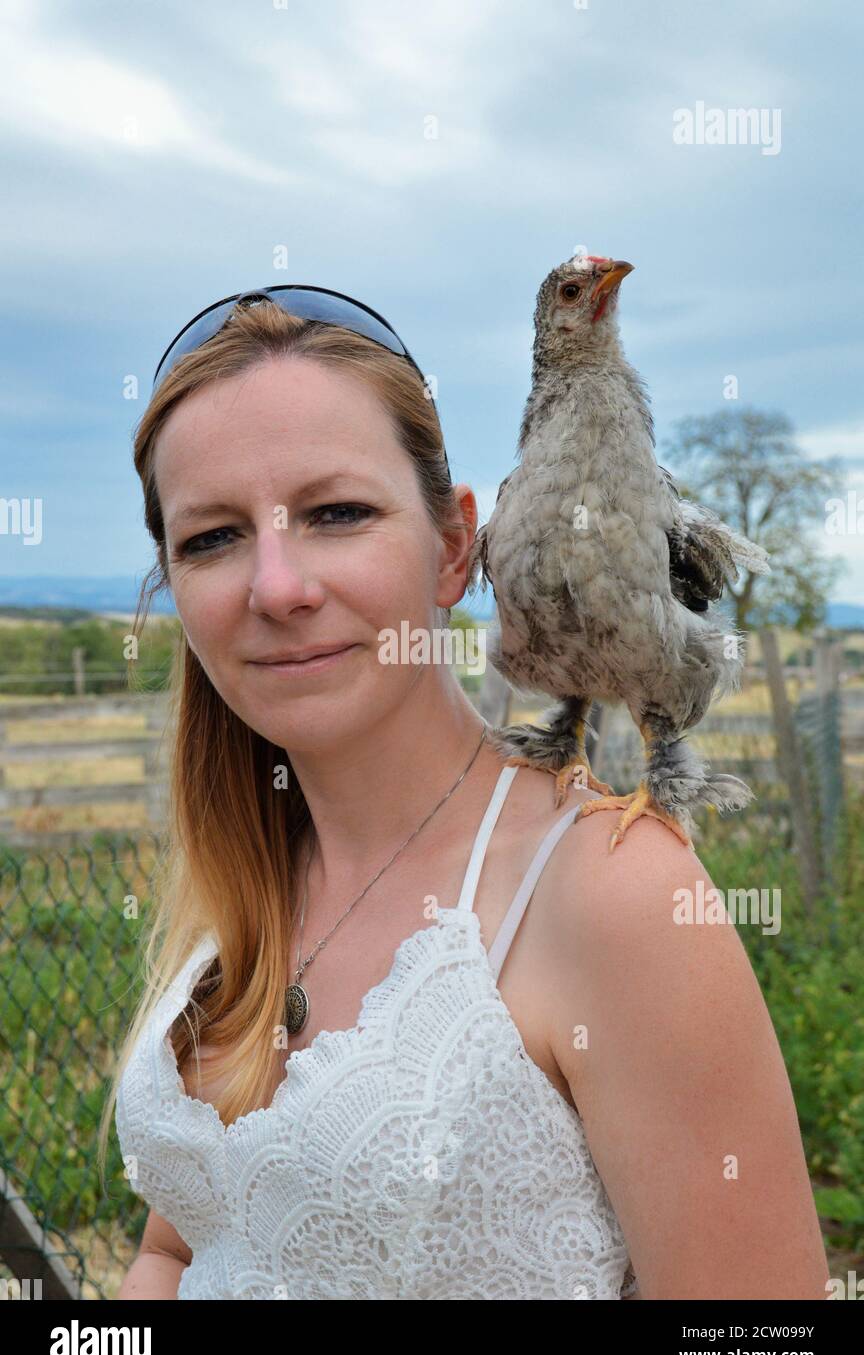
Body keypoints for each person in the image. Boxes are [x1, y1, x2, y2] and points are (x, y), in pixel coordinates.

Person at [101, 287, 829, 1300]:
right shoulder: (250, 881)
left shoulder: (613, 896)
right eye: (212, 537)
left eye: (337, 512)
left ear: (454, 549)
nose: (276, 586)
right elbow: (181, 1247)